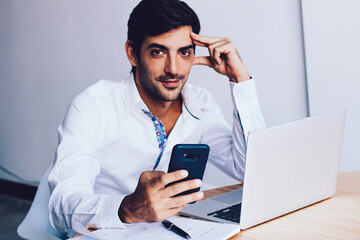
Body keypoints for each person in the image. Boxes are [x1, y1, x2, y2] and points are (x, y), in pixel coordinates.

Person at [48, 0, 265, 236]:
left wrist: (239, 80)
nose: (173, 68)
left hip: (175, 230)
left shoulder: (200, 103)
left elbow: (252, 171)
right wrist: (127, 209)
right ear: (132, 53)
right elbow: (61, 207)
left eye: (184, 52)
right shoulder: (93, 106)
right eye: (158, 52)